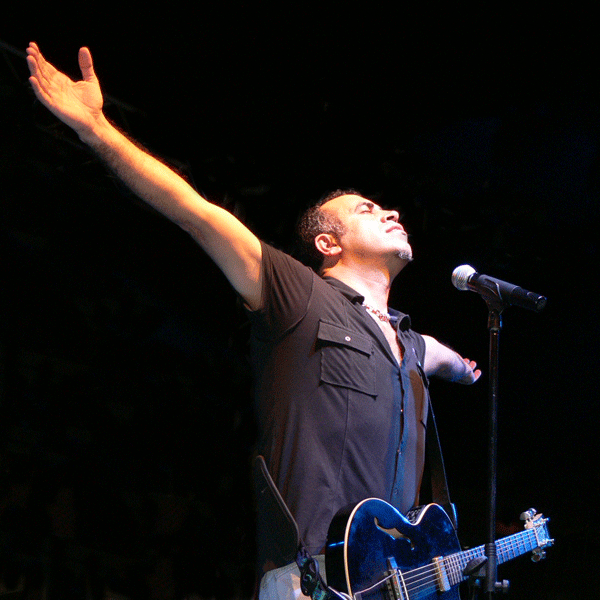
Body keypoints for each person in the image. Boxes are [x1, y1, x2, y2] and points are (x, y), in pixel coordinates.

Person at [26, 42, 481, 599]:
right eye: (366, 209)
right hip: (315, 580)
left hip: (396, 581)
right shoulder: (297, 294)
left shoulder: (409, 344)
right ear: (327, 243)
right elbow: (194, 211)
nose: (391, 212)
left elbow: (432, 353)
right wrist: (97, 129)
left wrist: (460, 366)